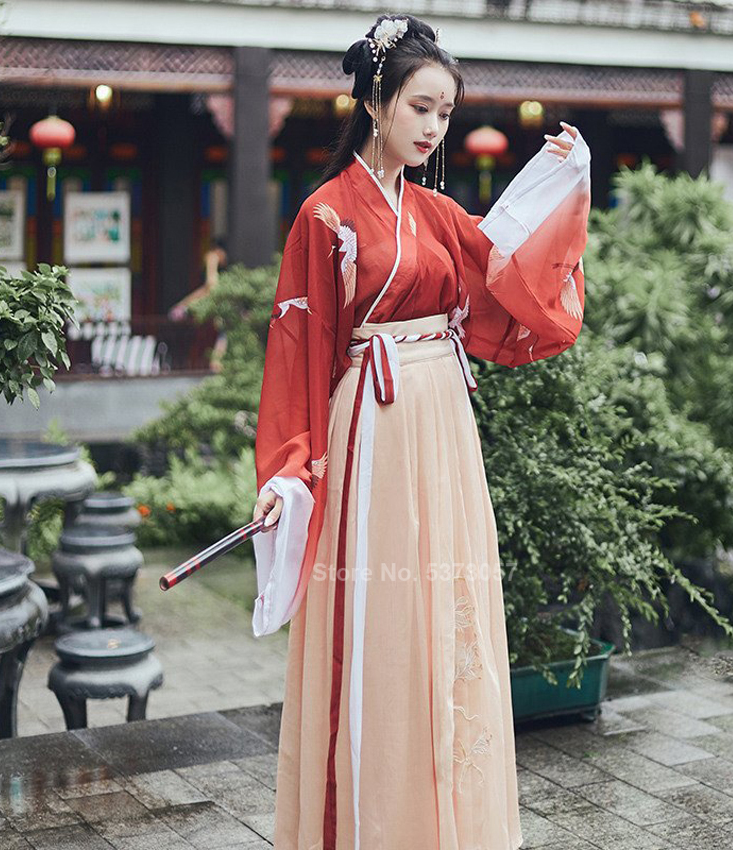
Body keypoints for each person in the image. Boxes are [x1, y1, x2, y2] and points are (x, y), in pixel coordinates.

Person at [251, 13, 590, 850]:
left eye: (445, 112)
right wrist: (291, 468)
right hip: (375, 425)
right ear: (376, 101)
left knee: (448, 607)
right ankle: (380, 820)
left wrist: (561, 182)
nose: (436, 127)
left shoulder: (437, 214)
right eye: (422, 108)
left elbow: (507, 272)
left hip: (443, 421)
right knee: (385, 614)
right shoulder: (323, 217)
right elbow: (300, 347)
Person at [168, 237, 229, 371]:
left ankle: (218, 366)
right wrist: (184, 304)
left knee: (224, 337)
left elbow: (209, 286)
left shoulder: (224, 269)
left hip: (227, 311)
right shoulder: (215, 262)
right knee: (222, 338)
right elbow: (208, 287)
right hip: (222, 311)